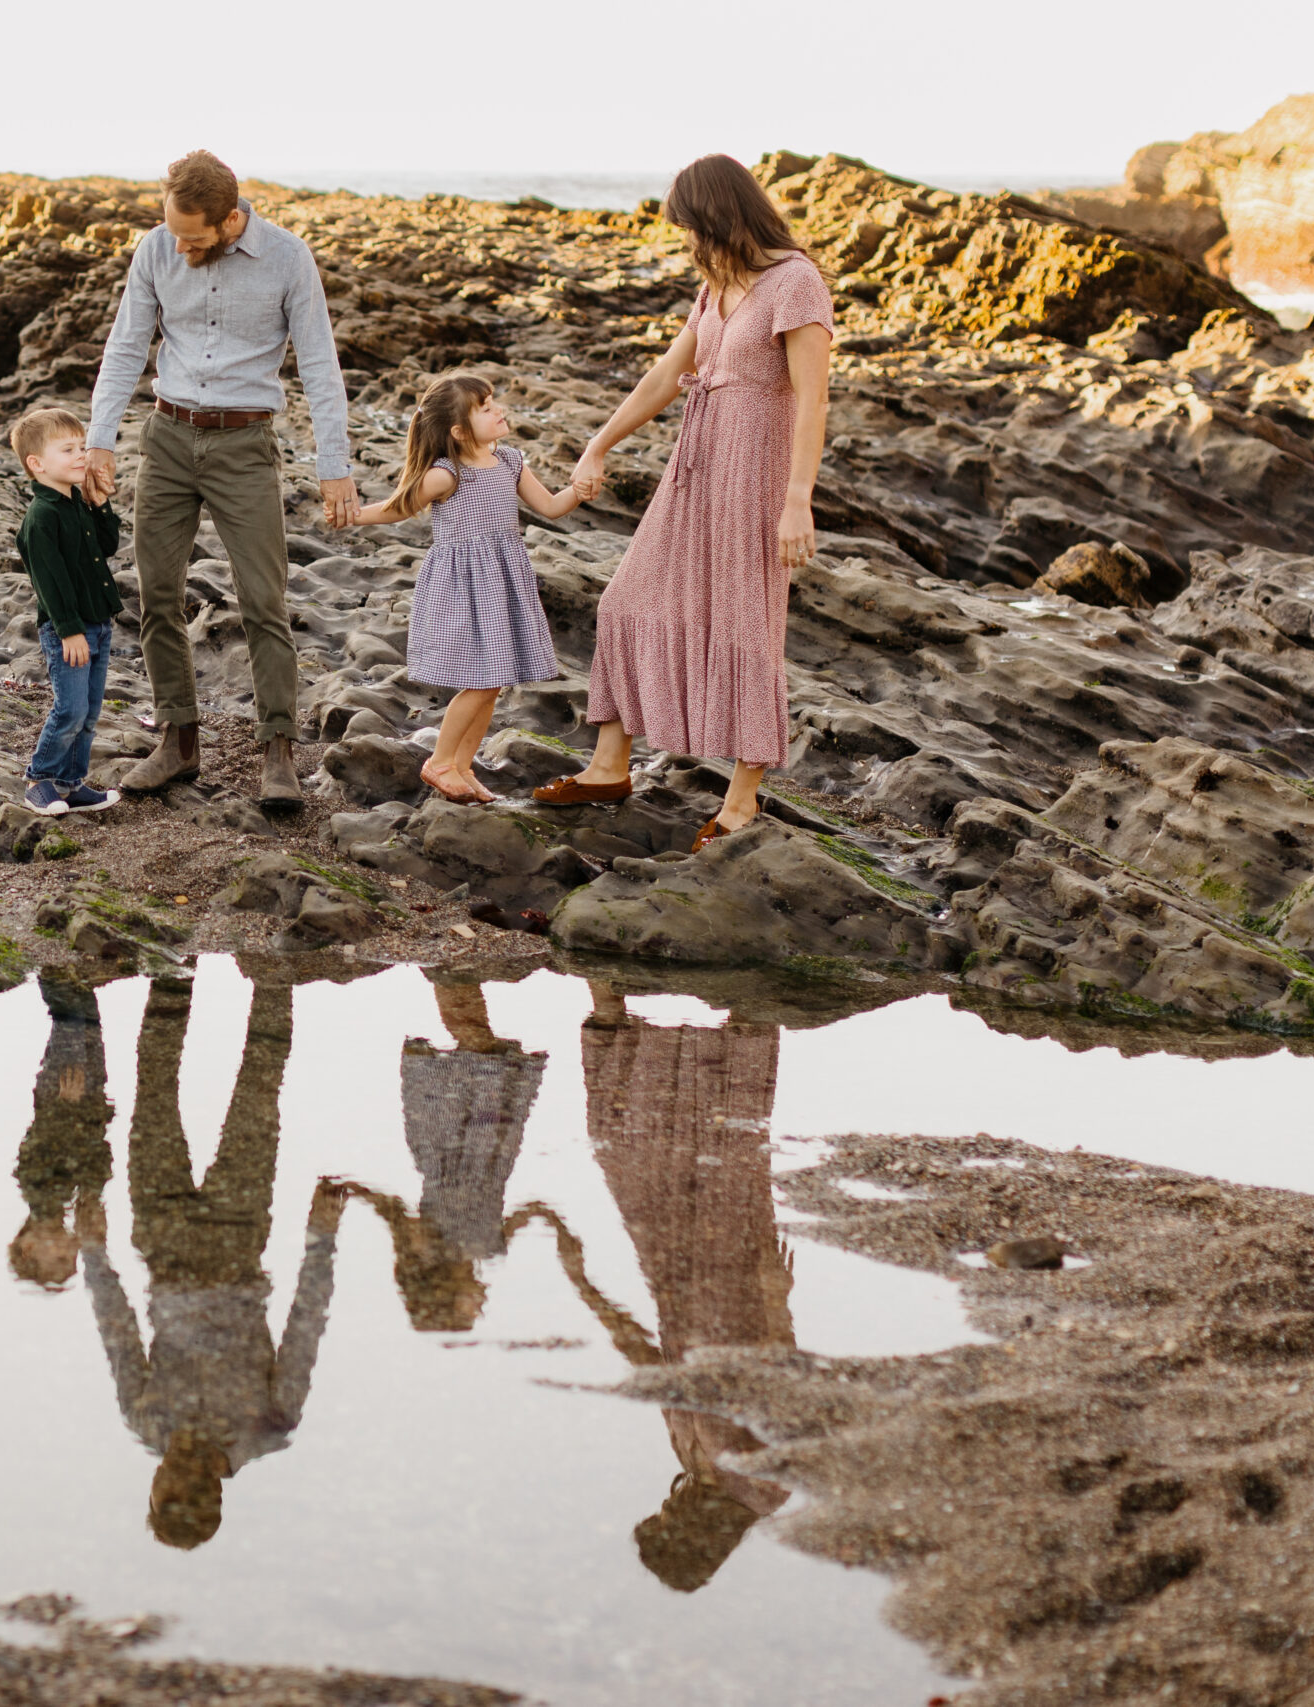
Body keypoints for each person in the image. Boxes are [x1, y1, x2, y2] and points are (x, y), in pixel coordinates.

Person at [535, 155, 835, 851]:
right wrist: (598, 444)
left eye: (691, 229)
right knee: (627, 600)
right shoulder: (716, 288)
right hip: (694, 469)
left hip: (756, 474)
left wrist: (798, 500)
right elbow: (669, 375)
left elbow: (813, 398)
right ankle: (610, 765)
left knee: (746, 625)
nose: (688, 243)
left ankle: (741, 799)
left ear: (722, 215)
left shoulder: (797, 283)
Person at [83, 150, 358, 811]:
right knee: (156, 594)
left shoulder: (289, 259)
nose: (179, 247)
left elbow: (320, 364)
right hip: (169, 436)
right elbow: (126, 346)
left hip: (245, 445)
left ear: (232, 219)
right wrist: (100, 439)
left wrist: (335, 467)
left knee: (264, 600)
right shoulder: (156, 250)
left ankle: (278, 753)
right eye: (172, 232)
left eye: (193, 237)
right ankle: (177, 741)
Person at [77, 974, 341, 1548]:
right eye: (179, 1492)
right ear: (211, 1493)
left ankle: (176, 963)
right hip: (237, 1238)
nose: (165, 1475)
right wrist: (321, 1240)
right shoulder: (267, 1428)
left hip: (163, 1241)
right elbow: (305, 1330)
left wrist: (96, 1254)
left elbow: (119, 1334)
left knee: (152, 1094)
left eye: (161, 1491)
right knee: (258, 1085)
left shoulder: (145, 1422)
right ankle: (275, 966)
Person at [580, 984, 795, 1592]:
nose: (663, 1506)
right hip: (731, 1298)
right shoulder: (758, 1484)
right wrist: (774, 1291)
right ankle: (749, 1011)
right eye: (664, 1520)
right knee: (723, 1158)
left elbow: (661, 1376)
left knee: (625, 1148)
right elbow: (782, 1379)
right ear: (691, 1533)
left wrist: (591, 1296)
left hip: (679, 1296)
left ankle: (614, 1009)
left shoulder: (698, 1470)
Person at [344, 375, 578, 804]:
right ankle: (440, 761)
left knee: (497, 680)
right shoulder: (445, 474)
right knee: (482, 681)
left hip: (503, 581)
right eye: (485, 407)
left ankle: (463, 765)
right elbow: (399, 507)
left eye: (494, 402)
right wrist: (352, 516)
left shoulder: (510, 461)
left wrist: (578, 491)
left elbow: (550, 506)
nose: (498, 410)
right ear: (458, 430)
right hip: (463, 587)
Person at [338, 976, 548, 1331]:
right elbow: (527, 1212)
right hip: (494, 1151)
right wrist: (554, 1225)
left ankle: (449, 971)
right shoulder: (487, 1252)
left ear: (445, 1294)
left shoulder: (431, 1250)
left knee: (475, 1041)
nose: (480, 1307)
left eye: (469, 1311)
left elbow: (394, 1211)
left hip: (450, 1146)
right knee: (481, 1044)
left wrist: (353, 1191)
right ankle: (453, 972)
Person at [10, 407, 127, 816]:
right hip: (68, 630)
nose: (81, 455)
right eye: (68, 449)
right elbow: (51, 583)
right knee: (70, 708)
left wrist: (100, 504)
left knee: (91, 712)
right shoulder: (41, 518)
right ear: (37, 464)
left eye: (81, 446)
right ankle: (39, 779)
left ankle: (71, 783)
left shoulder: (78, 502)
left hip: (98, 623)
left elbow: (108, 546)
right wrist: (69, 631)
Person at [7, 970, 115, 1289]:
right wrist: (93, 1196)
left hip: (64, 1093)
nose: (71, 1252)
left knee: (70, 1019)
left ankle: (49, 959)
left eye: (58, 1258)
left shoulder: (38, 1191)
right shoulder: (65, 1199)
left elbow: (42, 1137)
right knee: (86, 1020)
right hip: (87, 1101)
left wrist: (65, 1105)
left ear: (28, 1245)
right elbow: (97, 1152)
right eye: (70, 1260)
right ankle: (60, 958)